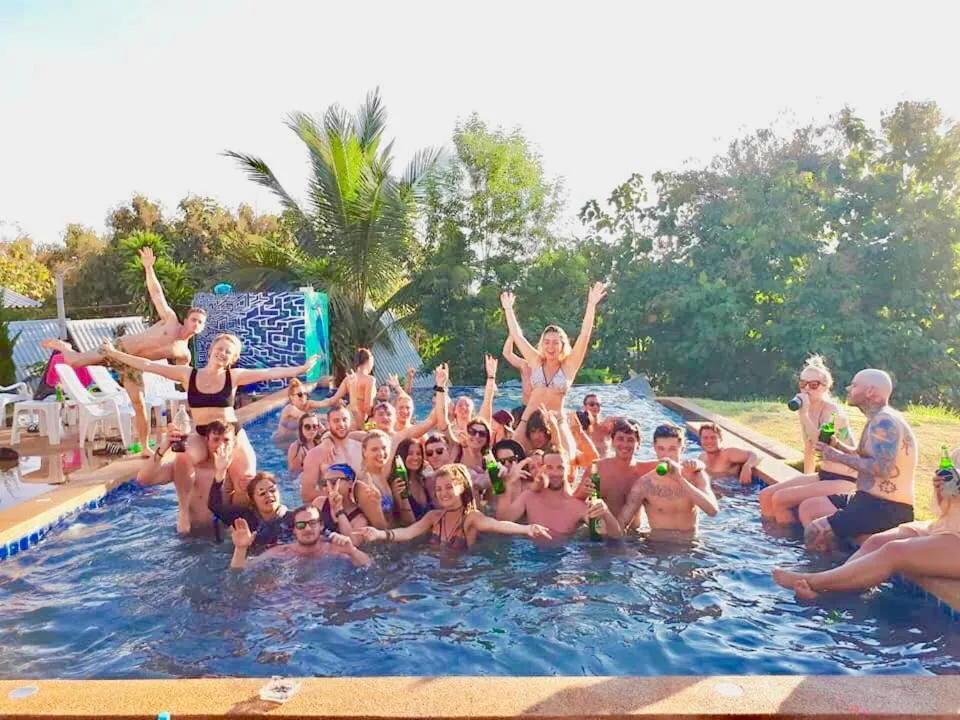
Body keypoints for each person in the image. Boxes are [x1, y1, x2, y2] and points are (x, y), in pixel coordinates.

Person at [102, 332, 318, 533]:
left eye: (228, 352)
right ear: (211, 349)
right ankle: (184, 512)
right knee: (184, 458)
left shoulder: (234, 376)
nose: (222, 354)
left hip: (231, 434)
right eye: (220, 348)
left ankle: (247, 522)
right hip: (202, 432)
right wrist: (114, 353)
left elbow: (270, 373)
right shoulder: (188, 374)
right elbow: (148, 365)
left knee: (246, 477)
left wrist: (301, 369)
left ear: (232, 358)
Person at [42, 247, 207, 456]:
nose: (196, 324)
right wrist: (149, 268)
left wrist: (202, 399)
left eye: (200, 323)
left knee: (139, 404)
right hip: (116, 348)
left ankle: (145, 447)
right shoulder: (170, 320)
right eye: (194, 319)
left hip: (132, 365)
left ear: (202, 328)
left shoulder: (183, 353)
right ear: (187, 319)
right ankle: (65, 347)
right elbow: (157, 294)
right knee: (74, 362)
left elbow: (184, 380)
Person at [772, 454, 960, 599]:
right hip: (943, 525)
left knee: (894, 551)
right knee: (875, 542)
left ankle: (816, 583)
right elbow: (944, 509)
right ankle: (836, 585)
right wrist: (941, 491)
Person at [796, 369, 916, 552]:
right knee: (809, 507)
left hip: (886, 507)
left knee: (816, 531)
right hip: (866, 499)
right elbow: (864, 456)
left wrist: (837, 456)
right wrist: (837, 445)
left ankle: (821, 575)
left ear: (869, 392)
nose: (848, 388)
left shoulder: (884, 421)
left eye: (854, 385)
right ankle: (835, 562)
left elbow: (882, 468)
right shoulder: (876, 418)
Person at [500, 282, 607, 458]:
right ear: (542, 344)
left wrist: (591, 305)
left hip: (557, 421)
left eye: (555, 342)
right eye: (547, 342)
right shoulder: (535, 361)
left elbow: (584, 336)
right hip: (529, 420)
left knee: (568, 457)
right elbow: (518, 336)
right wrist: (508, 310)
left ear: (562, 344)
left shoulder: (569, 366)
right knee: (509, 455)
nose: (551, 346)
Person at [354, 463, 552, 550]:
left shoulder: (471, 518)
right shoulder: (433, 517)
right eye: (439, 489)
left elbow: (497, 525)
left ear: (461, 486)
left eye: (449, 487)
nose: (443, 493)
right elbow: (408, 533)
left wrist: (527, 529)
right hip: (435, 581)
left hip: (463, 582)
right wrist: (378, 534)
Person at [758, 356, 858, 524]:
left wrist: (803, 414)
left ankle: (788, 544)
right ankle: (772, 540)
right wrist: (805, 481)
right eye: (802, 384)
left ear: (825, 387)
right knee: (766, 495)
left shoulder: (834, 412)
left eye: (813, 385)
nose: (806, 390)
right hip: (825, 474)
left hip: (846, 479)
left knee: (781, 499)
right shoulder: (809, 410)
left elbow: (822, 441)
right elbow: (809, 448)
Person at [136, 421, 239, 535]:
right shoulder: (188, 470)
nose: (221, 445)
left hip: (226, 536)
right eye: (215, 440)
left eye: (226, 440)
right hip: (190, 536)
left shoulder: (236, 472)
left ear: (234, 442)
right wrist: (164, 447)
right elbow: (143, 479)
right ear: (206, 441)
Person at [497, 447, 622, 538]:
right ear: (542, 469)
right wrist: (508, 485)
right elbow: (502, 521)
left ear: (568, 470)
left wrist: (605, 511)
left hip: (565, 564)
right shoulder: (529, 497)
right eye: (549, 467)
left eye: (560, 468)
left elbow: (613, 537)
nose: (555, 473)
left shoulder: (577, 506)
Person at [618, 423, 719, 534]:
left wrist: (679, 479)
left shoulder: (696, 475)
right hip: (656, 546)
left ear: (682, 448)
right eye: (661, 449)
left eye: (672, 449)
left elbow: (712, 511)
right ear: (655, 448)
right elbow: (623, 522)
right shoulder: (644, 484)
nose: (666, 455)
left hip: (689, 547)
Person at [230, 505, 371, 569]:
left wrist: (352, 550)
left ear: (321, 526)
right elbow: (240, 569)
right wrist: (240, 549)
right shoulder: (282, 552)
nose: (308, 528)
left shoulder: (334, 549)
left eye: (312, 523)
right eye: (301, 525)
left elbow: (370, 565)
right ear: (294, 530)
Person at [208, 471, 292, 549]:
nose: (269, 495)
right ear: (253, 500)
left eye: (272, 490)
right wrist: (220, 473)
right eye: (262, 493)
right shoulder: (244, 518)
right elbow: (215, 506)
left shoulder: (291, 518)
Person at [595, 419, 658, 519]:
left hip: (635, 533)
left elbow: (672, 467)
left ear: (638, 444)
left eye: (630, 440)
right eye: (620, 439)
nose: (625, 444)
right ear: (612, 442)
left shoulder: (646, 471)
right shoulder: (597, 469)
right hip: (603, 531)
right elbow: (578, 500)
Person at [312, 348, 377, 423]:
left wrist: (312, 403)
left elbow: (332, 400)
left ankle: (311, 414)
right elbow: (367, 408)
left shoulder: (349, 378)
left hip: (347, 416)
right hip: (359, 420)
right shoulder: (370, 380)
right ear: (369, 360)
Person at [390, 438, 433, 524]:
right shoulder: (398, 483)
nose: (415, 457)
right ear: (402, 456)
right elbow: (408, 521)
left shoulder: (423, 479)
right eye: (410, 453)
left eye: (419, 453)